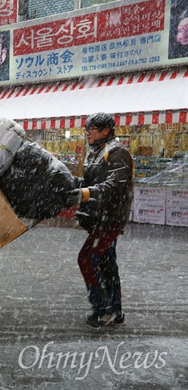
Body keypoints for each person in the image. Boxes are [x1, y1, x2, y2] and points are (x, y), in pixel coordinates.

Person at [65, 112, 134, 328]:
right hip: (97, 217)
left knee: (86, 258)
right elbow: (90, 181)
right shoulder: (94, 153)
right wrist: (72, 184)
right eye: (86, 129)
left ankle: (103, 308)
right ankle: (115, 310)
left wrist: (86, 193)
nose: (87, 133)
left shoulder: (118, 152)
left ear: (106, 131)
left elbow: (115, 185)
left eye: (91, 129)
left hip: (110, 218)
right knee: (106, 263)